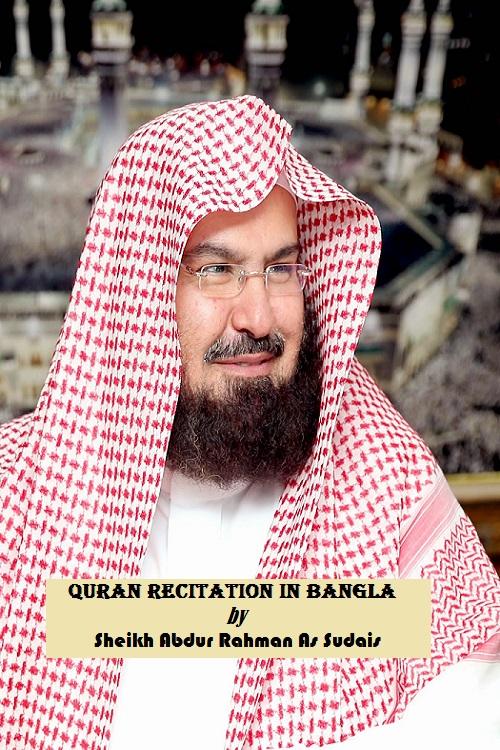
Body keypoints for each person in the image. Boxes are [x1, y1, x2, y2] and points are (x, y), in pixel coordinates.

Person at [0, 95, 498, 749]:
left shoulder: (379, 474)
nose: (259, 318)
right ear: (140, 294)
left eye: (282, 269)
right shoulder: (18, 495)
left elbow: (478, 694)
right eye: (217, 270)